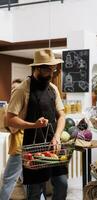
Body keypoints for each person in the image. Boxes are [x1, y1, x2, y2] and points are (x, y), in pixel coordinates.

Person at [6, 48, 68, 200]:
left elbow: (61, 115)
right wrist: (34, 125)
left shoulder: (53, 89)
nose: (52, 72)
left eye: (53, 68)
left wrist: (57, 136)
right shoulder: (22, 89)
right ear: (37, 68)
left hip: (53, 145)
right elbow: (10, 118)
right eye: (48, 69)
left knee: (62, 183)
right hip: (32, 148)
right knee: (34, 191)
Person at [0, 78, 26, 200]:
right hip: (23, 147)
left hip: (19, 148)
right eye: (12, 88)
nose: (14, 90)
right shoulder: (16, 106)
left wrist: (8, 112)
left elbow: (14, 129)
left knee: (7, 179)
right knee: (27, 181)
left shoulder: (18, 107)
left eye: (16, 88)